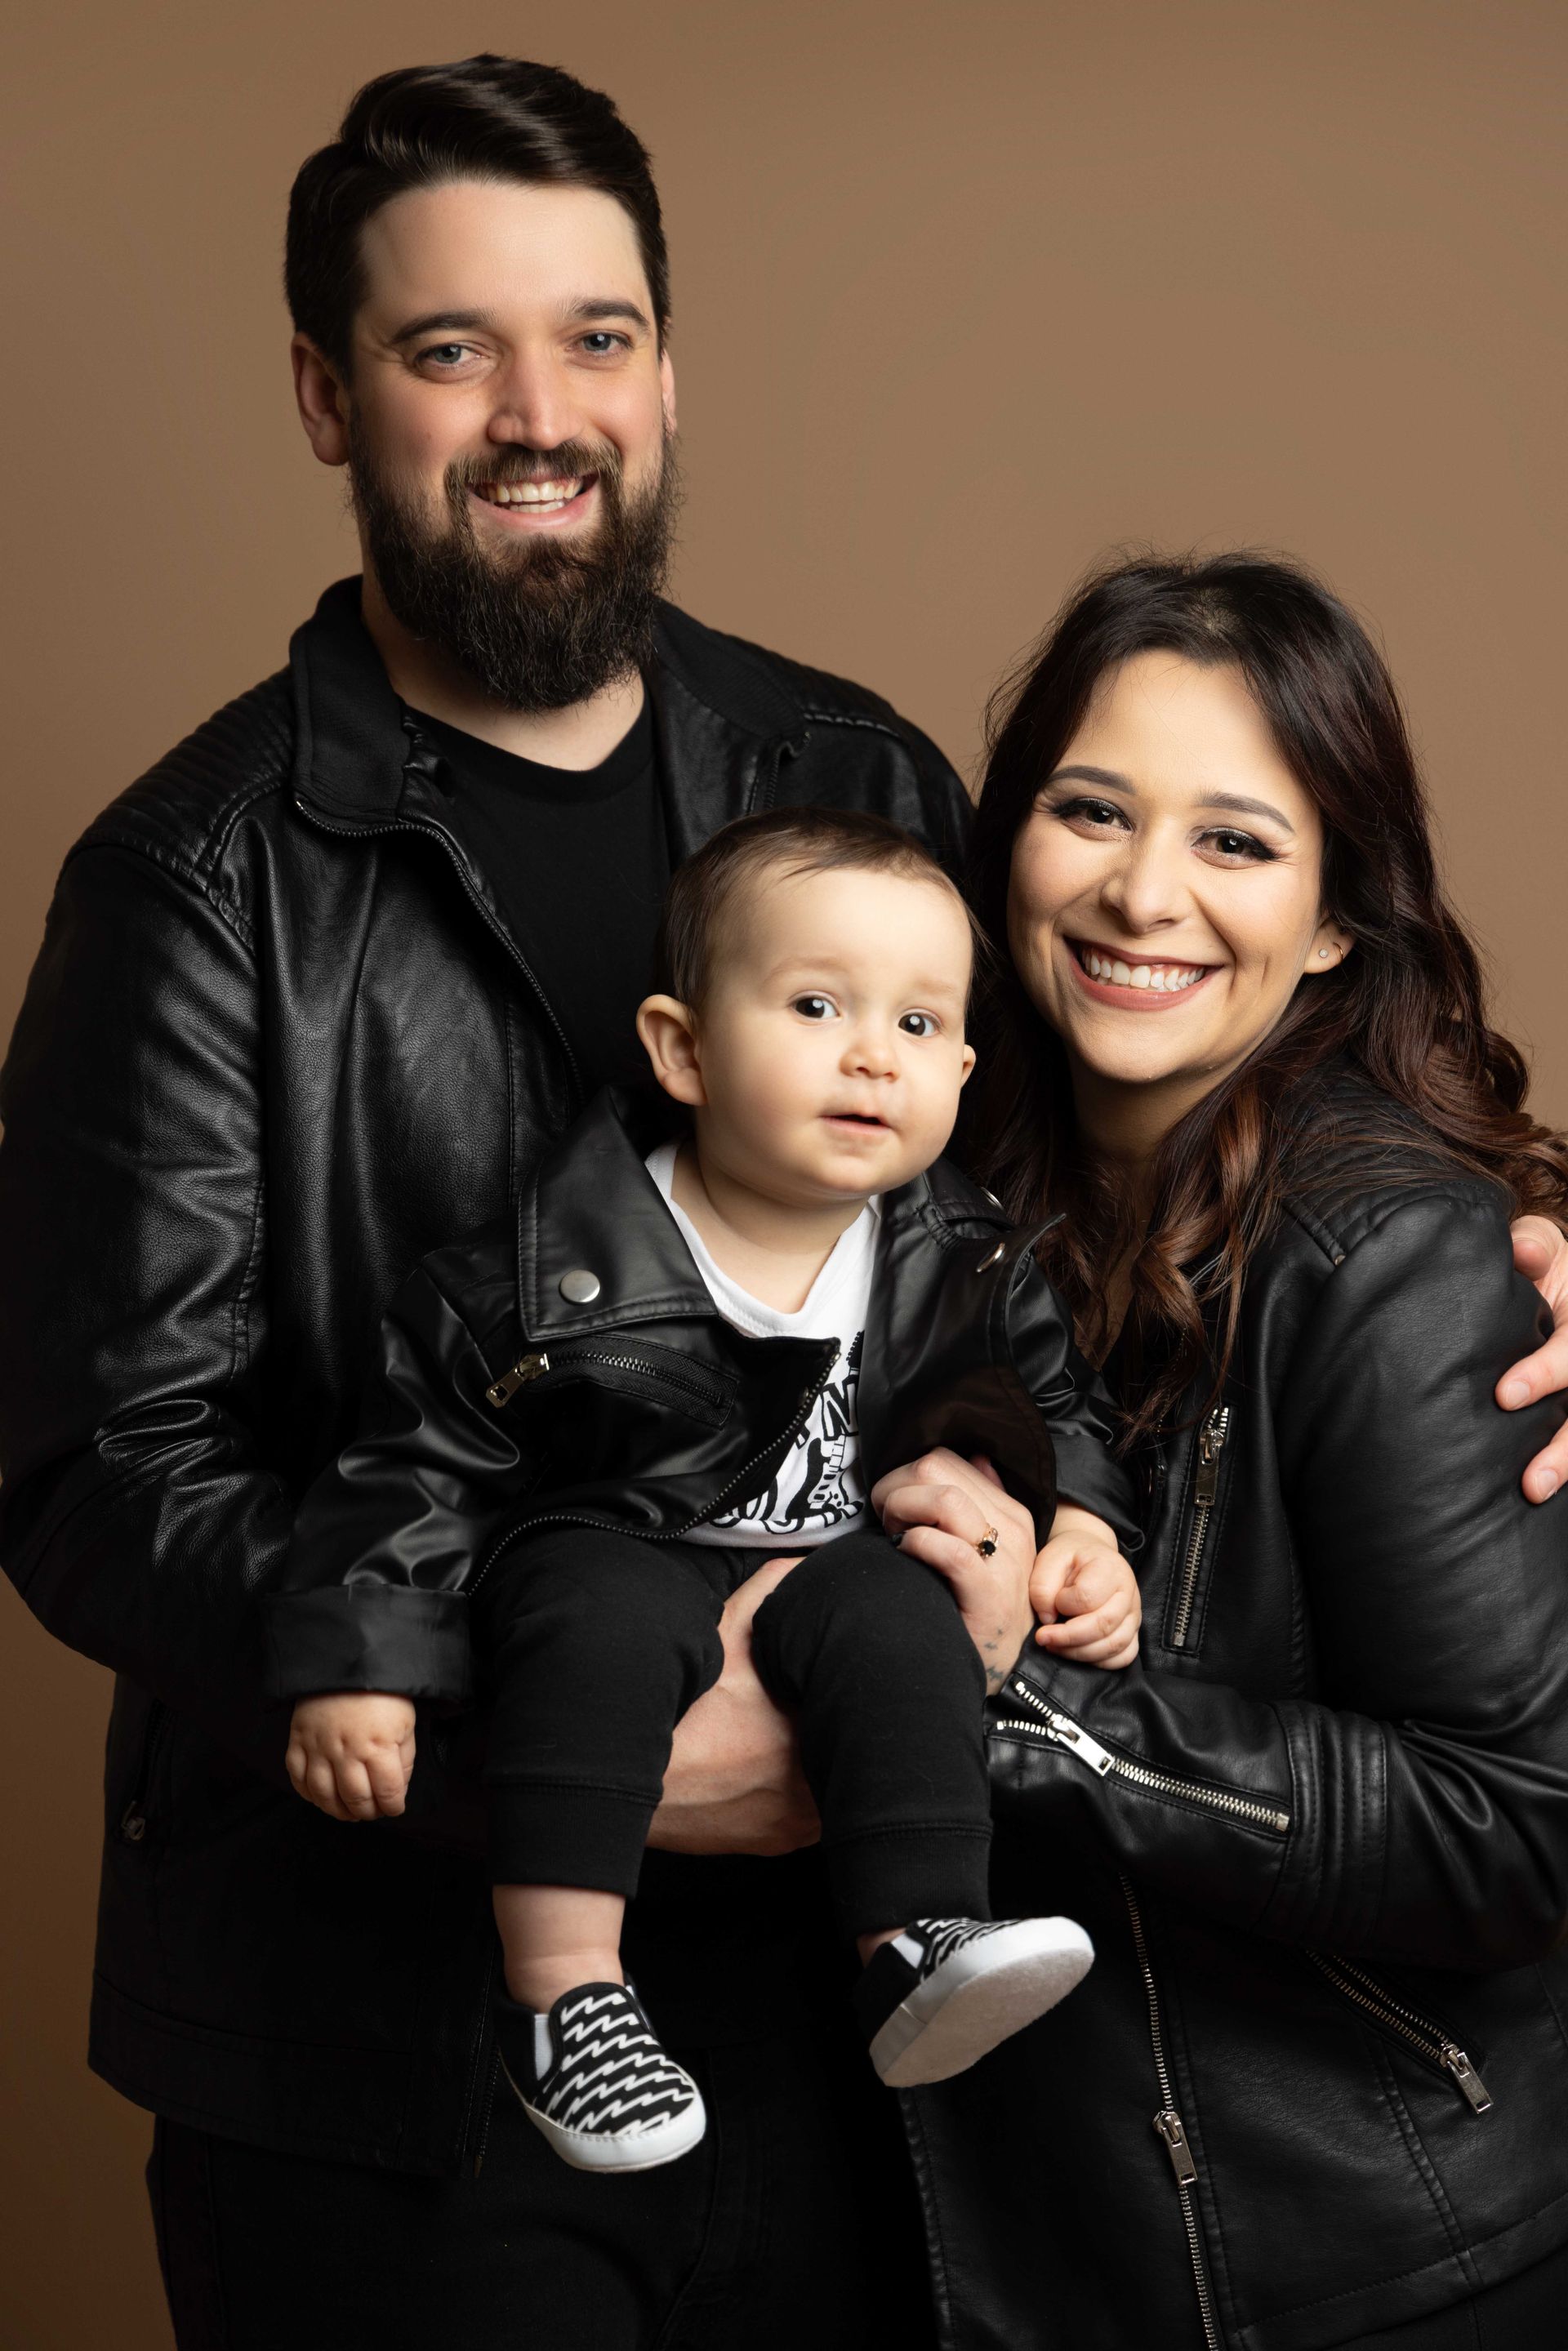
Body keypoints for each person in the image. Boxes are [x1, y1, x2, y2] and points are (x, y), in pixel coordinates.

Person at [0, 54, 978, 2351]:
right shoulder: (192, 882)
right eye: (455, 350)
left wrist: (1482, 1229)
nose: (544, 414)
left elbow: (1067, 1239)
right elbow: (95, 1473)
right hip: (384, 2067)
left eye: (599, 336)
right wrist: (561, 1738)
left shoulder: (858, 778)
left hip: (849, 2024)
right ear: (332, 399)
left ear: (667, 369)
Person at [874, 552, 1568, 2349]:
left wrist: (1027, 1705)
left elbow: (1515, 1831)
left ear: (1340, 915)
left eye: (1237, 842)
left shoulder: (1390, 1258)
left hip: (1349, 2268)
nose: (1141, 894)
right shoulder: (943, 1208)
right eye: (1088, 811)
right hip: (1047, 2242)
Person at [266, 809, 1143, 2173]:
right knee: (601, 1619)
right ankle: (564, 1995)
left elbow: (1057, 1406)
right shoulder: (551, 1264)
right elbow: (416, 1459)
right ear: (682, 1048)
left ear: (964, 1070)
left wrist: (1085, 1521)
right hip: (616, 1536)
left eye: (920, 1028)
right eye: (814, 1004)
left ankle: (916, 1940)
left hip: (827, 1556)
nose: (872, 1054)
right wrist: (363, 1658)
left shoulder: (960, 1250)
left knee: (902, 1623)